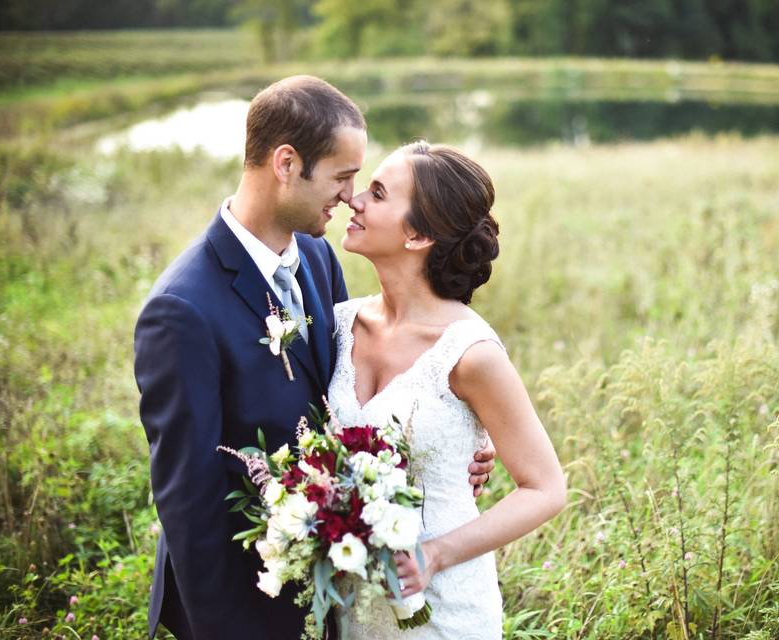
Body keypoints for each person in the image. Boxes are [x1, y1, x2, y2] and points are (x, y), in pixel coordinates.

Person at [134, 77, 496, 640]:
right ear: (286, 163)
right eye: (342, 177)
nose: (350, 196)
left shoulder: (317, 258)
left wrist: (459, 430)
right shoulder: (182, 310)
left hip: (336, 591)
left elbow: (344, 394)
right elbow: (188, 504)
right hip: (245, 601)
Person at [328, 141, 567, 638]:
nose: (355, 201)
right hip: (352, 605)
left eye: (377, 193)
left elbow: (545, 488)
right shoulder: (339, 325)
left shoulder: (469, 352)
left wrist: (434, 555)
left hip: (443, 608)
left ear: (417, 234)